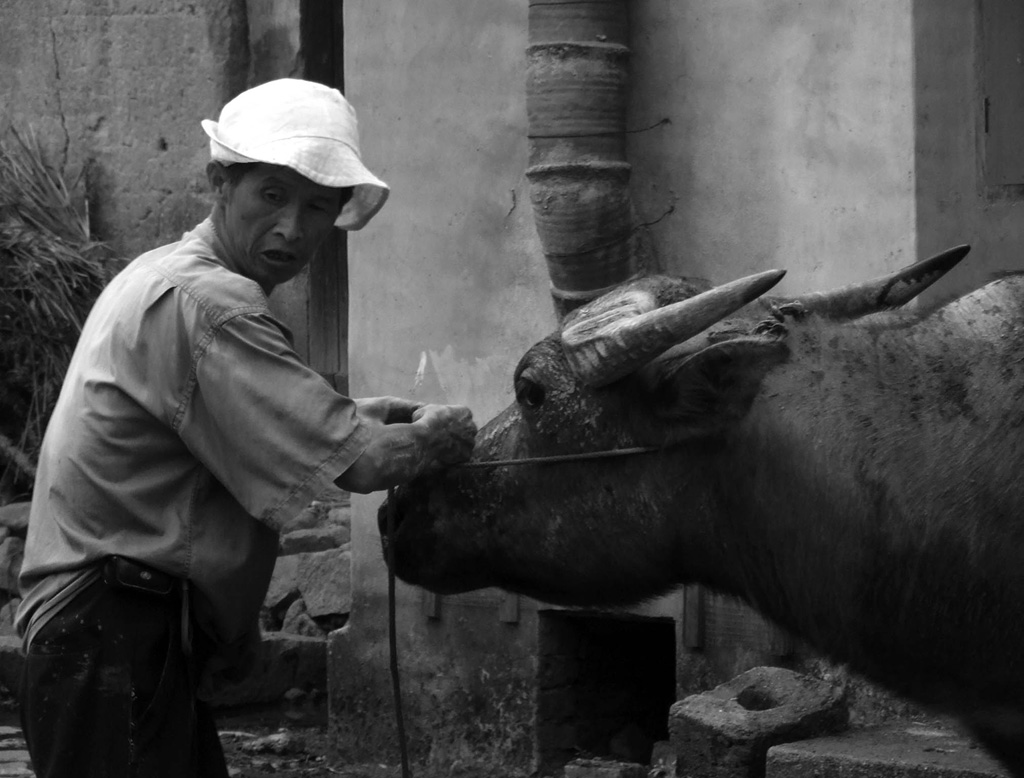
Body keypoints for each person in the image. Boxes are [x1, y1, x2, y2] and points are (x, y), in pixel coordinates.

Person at [15, 78, 477, 778]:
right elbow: (362, 466)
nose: (293, 229)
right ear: (219, 184)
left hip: (116, 628)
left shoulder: (162, 274)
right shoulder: (212, 303)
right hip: (113, 627)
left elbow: (278, 428)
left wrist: (358, 422)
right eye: (272, 196)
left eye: (318, 206)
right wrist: (443, 436)